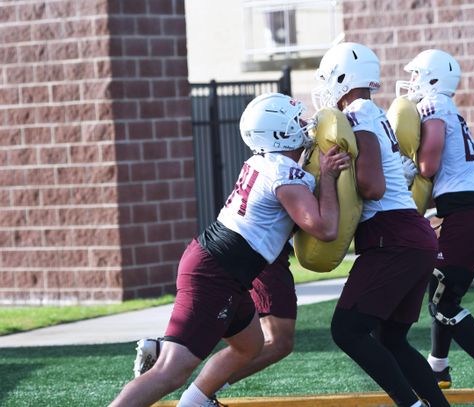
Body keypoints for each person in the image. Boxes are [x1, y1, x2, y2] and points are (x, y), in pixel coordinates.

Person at [108, 92, 350, 407]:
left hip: (222, 269)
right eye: (295, 121)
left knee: (249, 345)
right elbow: (325, 229)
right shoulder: (283, 172)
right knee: (170, 373)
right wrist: (329, 177)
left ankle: (194, 402)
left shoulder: (265, 162)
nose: (303, 125)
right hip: (217, 273)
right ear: (279, 132)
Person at [312, 42, 450, 407]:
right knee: (390, 338)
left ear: (343, 78)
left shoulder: (357, 114)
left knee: (347, 330)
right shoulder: (370, 112)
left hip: (393, 235)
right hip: (409, 234)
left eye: (329, 79)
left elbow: (373, 186)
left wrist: (332, 177)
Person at [396, 49, 474, 407]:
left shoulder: (435, 105)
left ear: (432, 79)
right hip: (473, 213)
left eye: (418, 75)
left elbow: (430, 162)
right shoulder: (450, 109)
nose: (413, 83)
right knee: (441, 289)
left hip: (469, 216)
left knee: (442, 302)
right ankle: (438, 368)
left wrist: (411, 164)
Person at [133, 242, 297, 407]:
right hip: (255, 251)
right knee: (277, 341)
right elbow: (319, 228)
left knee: (249, 345)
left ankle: (193, 390)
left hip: (242, 250)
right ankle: (198, 392)